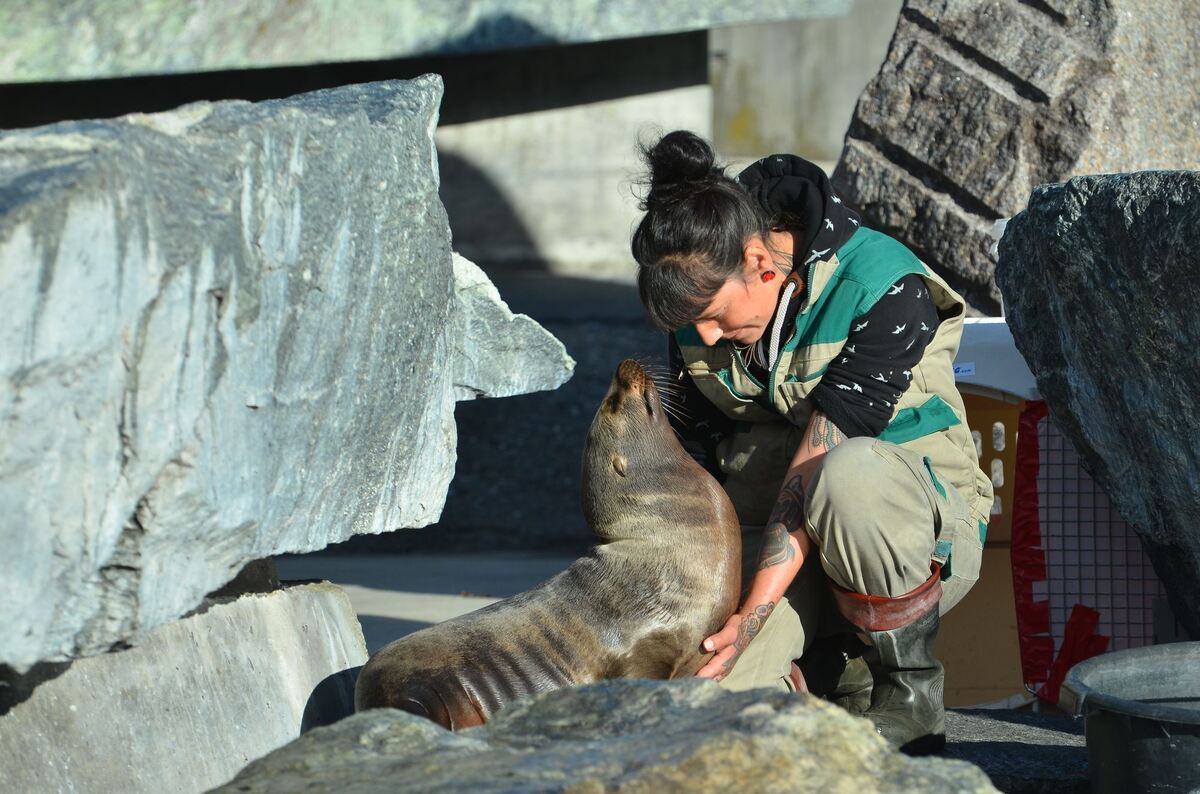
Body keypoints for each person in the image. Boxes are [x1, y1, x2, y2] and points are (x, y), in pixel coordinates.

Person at [629, 130, 993, 755]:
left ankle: (909, 692)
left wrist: (752, 616)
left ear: (761, 264)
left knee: (847, 474)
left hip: (902, 540)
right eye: (691, 326)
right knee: (702, 708)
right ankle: (827, 681)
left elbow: (813, 472)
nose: (706, 339)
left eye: (714, 316)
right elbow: (694, 464)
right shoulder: (701, 305)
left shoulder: (885, 284)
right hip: (777, 550)